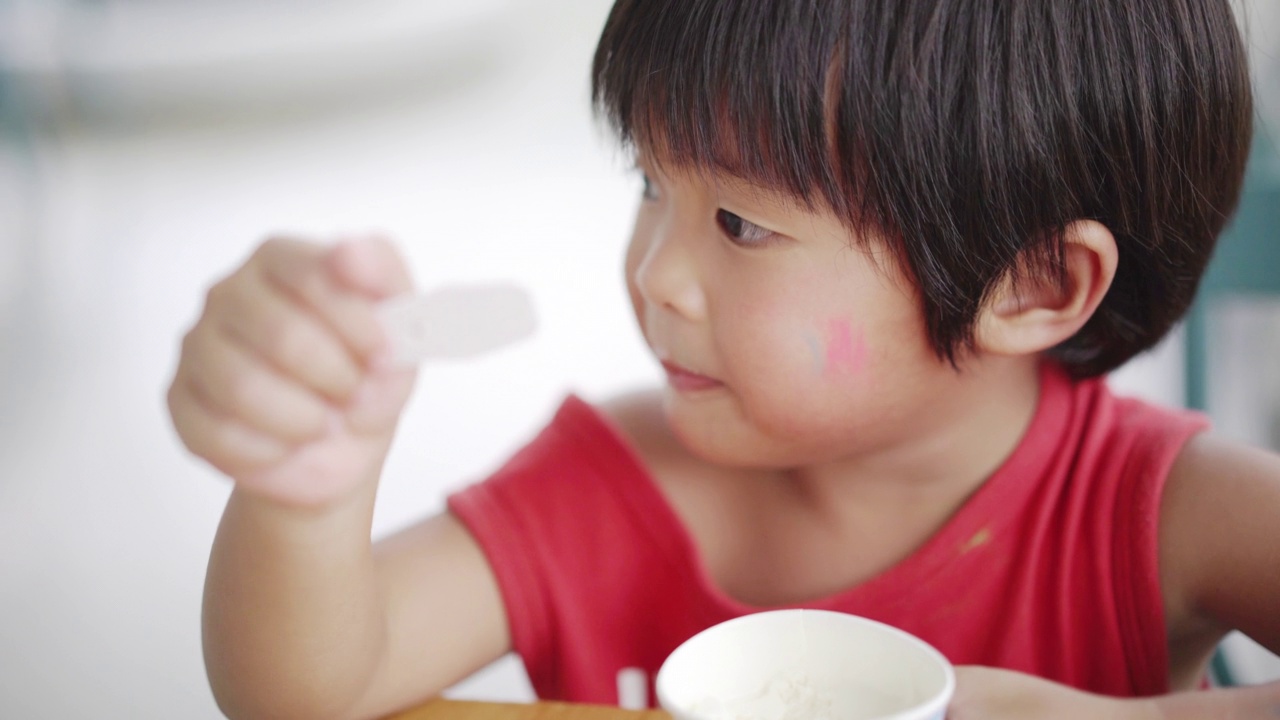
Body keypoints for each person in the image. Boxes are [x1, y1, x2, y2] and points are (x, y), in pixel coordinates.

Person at [168, 1, 1280, 718]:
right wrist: (306, 480)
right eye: (651, 184)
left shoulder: (1163, 510)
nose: (652, 271)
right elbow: (303, 690)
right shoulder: (604, 486)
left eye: (740, 224)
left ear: (1030, 285)